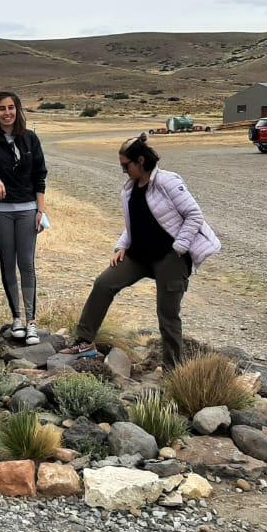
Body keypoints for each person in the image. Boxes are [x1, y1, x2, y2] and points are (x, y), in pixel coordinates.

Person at [59, 133, 220, 370]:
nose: (124, 171)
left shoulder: (168, 182)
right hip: (139, 255)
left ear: (141, 161)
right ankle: (84, 341)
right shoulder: (130, 188)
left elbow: (194, 215)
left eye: (126, 166)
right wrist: (121, 247)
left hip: (170, 257)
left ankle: (173, 369)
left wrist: (180, 247)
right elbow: (134, 223)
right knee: (104, 283)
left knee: (168, 314)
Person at [0, 91, 49, 346]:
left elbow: (40, 176)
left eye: (11, 108)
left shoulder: (30, 139)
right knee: (7, 263)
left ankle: (31, 321)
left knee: (26, 264)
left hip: (27, 208)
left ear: (18, 110)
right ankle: (16, 318)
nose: (7, 113)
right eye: (2, 108)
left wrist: (40, 210)